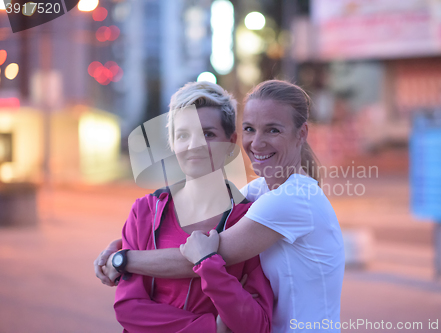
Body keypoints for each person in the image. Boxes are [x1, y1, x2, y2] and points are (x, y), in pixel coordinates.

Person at [96, 80, 345, 332]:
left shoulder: (292, 198)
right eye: (250, 128)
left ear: (301, 133)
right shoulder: (258, 193)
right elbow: (129, 307)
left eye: (273, 130)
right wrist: (122, 243)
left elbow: (199, 256)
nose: (257, 143)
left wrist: (122, 259)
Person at [105, 81, 273, 333]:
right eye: (183, 135)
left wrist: (211, 267)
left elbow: (256, 324)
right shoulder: (144, 213)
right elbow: (129, 308)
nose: (195, 145)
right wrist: (209, 327)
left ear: (230, 143)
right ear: (172, 143)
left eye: (208, 134)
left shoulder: (249, 221)